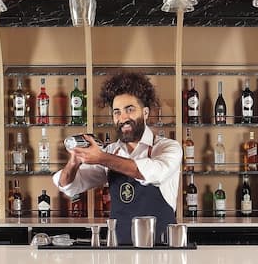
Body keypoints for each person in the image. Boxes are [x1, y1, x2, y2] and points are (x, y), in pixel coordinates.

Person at [52, 72, 181, 245]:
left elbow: (154, 173)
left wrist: (102, 157)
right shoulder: (111, 151)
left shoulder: (167, 148)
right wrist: (74, 161)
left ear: (145, 112)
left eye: (130, 109)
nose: (123, 118)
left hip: (162, 250)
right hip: (119, 250)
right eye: (117, 112)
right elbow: (68, 185)